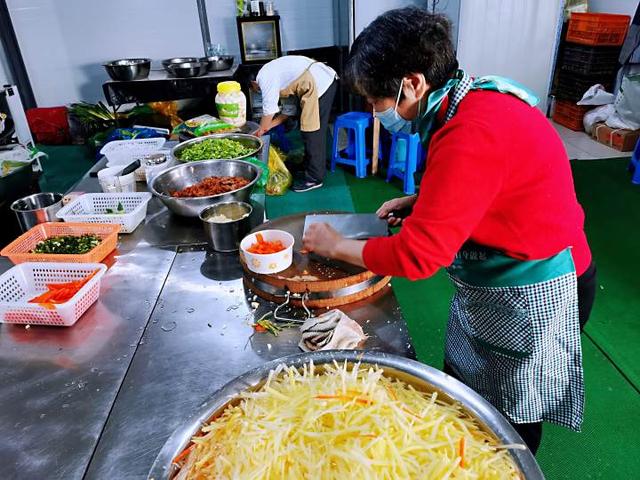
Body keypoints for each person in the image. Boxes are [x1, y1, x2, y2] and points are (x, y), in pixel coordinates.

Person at [302, 7, 597, 455]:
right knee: (470, 390)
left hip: (534, 289)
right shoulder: (472, 96)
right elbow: (494, 183)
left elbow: (418, 258)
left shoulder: (472, 131)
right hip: (501, 276)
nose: (374, 111)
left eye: (377, 100)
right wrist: (424, 201)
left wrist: (336, 245)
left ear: (413, 83)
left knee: (509, 419)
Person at [251, 55, 338, 192]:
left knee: (312, 131)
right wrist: (265, 128)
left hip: (320, 84)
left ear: (253, 82)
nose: (257, 91)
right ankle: (309, 166)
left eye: (254, 88)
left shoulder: (264, 77)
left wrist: (260, 131)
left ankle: (314, 178)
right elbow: (287, 113)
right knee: (308, 130)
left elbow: (269, 111)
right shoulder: (278, 76)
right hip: (318, 81)